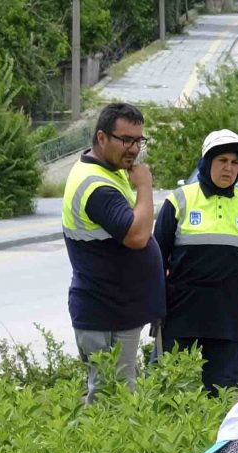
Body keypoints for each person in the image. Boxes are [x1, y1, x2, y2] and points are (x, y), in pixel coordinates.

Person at [155, 129, 238, 395]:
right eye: (222, 161)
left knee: (226, 396)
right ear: (207, 162)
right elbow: (156, 260)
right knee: (171, 393)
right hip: (181, 314)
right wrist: (153, 307)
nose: (229, 168)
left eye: (234, 162)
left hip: (230, 318)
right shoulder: (179, 200)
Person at [60, 101, 164, 400]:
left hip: (118, 312)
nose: (134, 149)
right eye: (126, 140)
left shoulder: (110, 168)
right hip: (103, 314)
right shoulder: (96, 185)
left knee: (120, 393)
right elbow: (137, 235)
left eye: (138, 141)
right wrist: (145, 186)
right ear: (102, 138)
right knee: (110, 398)